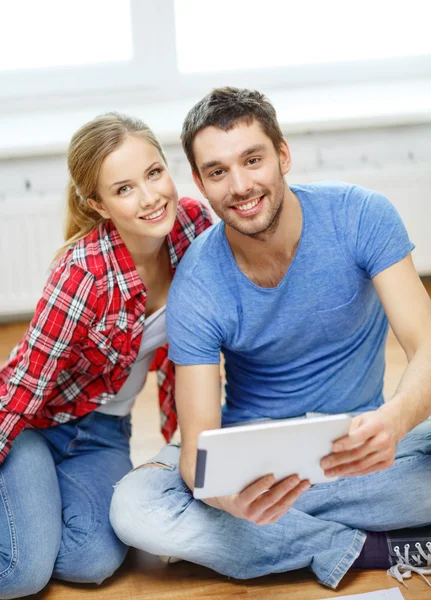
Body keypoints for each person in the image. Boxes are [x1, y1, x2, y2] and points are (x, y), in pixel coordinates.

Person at [110, 88, 431, 590]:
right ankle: (371, 547)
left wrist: (396, 420)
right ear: (200, 182)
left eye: (252, 160)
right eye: (217, 172)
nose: (240, 186)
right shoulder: (197, 278)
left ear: (282, 155)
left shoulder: (361, 216)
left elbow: (427, 345)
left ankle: (277, 533)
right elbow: (198, 449)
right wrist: (225, 499)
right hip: (252, 461)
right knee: (136, 508)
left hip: (360, 447)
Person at [0, 112, 212, 599]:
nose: (151, 197)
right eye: (124, 189)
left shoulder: (194, 228)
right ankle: (26, 499)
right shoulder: (83, 274)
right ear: (98, 204)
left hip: (104, 433)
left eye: (154, 173)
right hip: (34, 425)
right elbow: (22, 390)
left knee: (91, 561)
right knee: (23, 573)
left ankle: (34, 505)